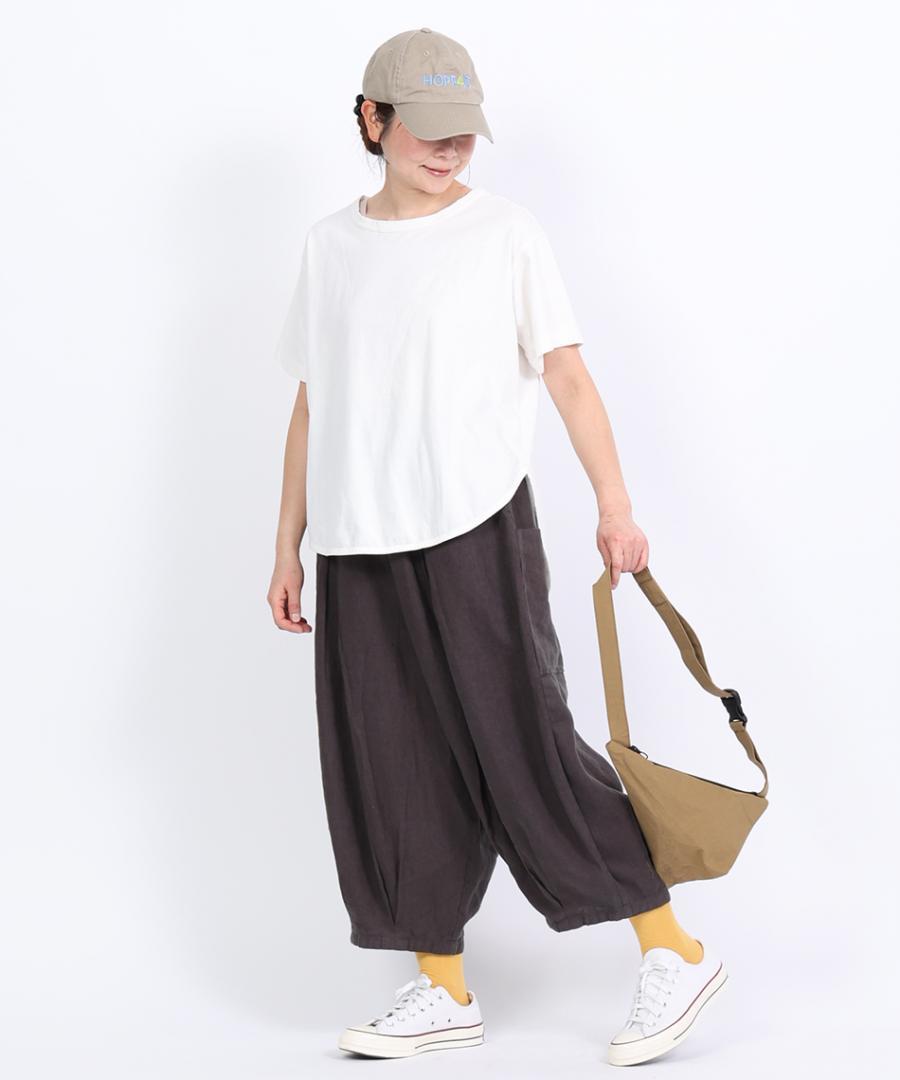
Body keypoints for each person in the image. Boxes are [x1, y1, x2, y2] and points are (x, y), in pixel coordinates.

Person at [268, 27, 727, 1068]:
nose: (450, 150)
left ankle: (674, 948)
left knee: (525, 743)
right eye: (428, 130)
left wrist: (615, 504)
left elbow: (565, 374)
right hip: (358, 538)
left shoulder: (504, 233)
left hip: (474, 519)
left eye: (464, 133)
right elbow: (310, 402)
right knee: (390, 761)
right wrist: (287, 544)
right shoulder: (330, 247)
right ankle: (442, 990)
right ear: (372, 119)